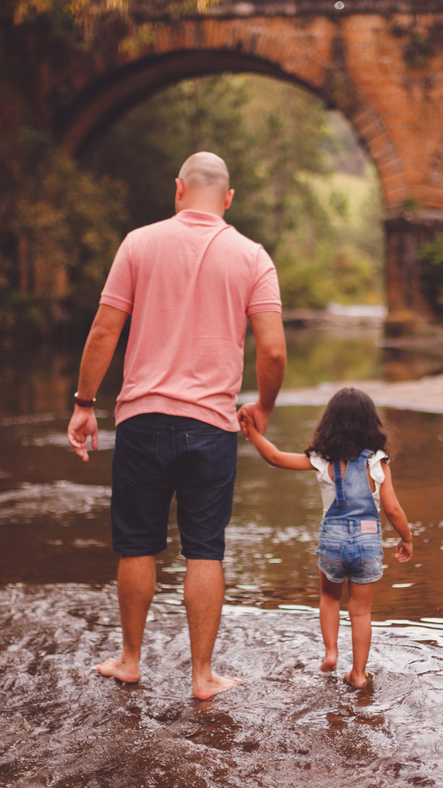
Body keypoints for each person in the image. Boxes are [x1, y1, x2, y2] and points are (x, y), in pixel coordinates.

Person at [67, 152, 286, 700]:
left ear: (179, 189)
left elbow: (103, 331)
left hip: (141, 419)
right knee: (205, 549)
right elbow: (274, 351)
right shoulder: (252, 256)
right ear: (228, 198)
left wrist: (84, 404)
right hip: (211, 426)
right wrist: (263, 408)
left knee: (136, 545)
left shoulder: (138, 243)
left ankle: (129, 660)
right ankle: (202, 676)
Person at [239, 387, 413, 689]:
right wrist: (406, 538)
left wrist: (252, 430)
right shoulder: (378, 460)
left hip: (333, 540)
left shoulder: (322, 459)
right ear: (371, 423)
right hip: (367, 541)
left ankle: (331, 653)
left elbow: (275, 457)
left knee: (330, 597)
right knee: (360, 611)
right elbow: (393, 509)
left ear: (329, 423)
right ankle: (358, 674)